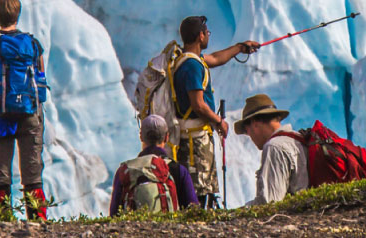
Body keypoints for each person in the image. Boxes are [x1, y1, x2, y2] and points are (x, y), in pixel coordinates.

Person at [0, 0, 49, 220]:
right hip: (30, 112)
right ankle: (38, 221)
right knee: (32, 170)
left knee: (1, 171)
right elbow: (40, 76)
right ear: (18, 14)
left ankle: (0, 220)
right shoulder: (33, 44)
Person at [172, 16, 259, 208]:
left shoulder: (189, 60)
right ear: (200, 36)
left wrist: (240, 47)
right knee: (199, 189)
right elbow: (198, 105)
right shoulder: (192, 66)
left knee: (200, 187)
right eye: (207, 33)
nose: (208, 36)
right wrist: (219, 121)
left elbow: (216, 58)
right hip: (194, 141)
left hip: (194, 136)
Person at [109, 115, 199, 215]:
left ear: (141, 136)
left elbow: (114, 214)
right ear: (166, 137)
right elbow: (193, 210)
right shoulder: (179, 171)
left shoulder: (125, 170)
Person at [233, 94, 308, 206]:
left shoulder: (274, 147)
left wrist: (239, 212)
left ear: (254, 123)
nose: (249, 135)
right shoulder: (298, 139)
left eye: (246, 130)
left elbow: (270, 203)